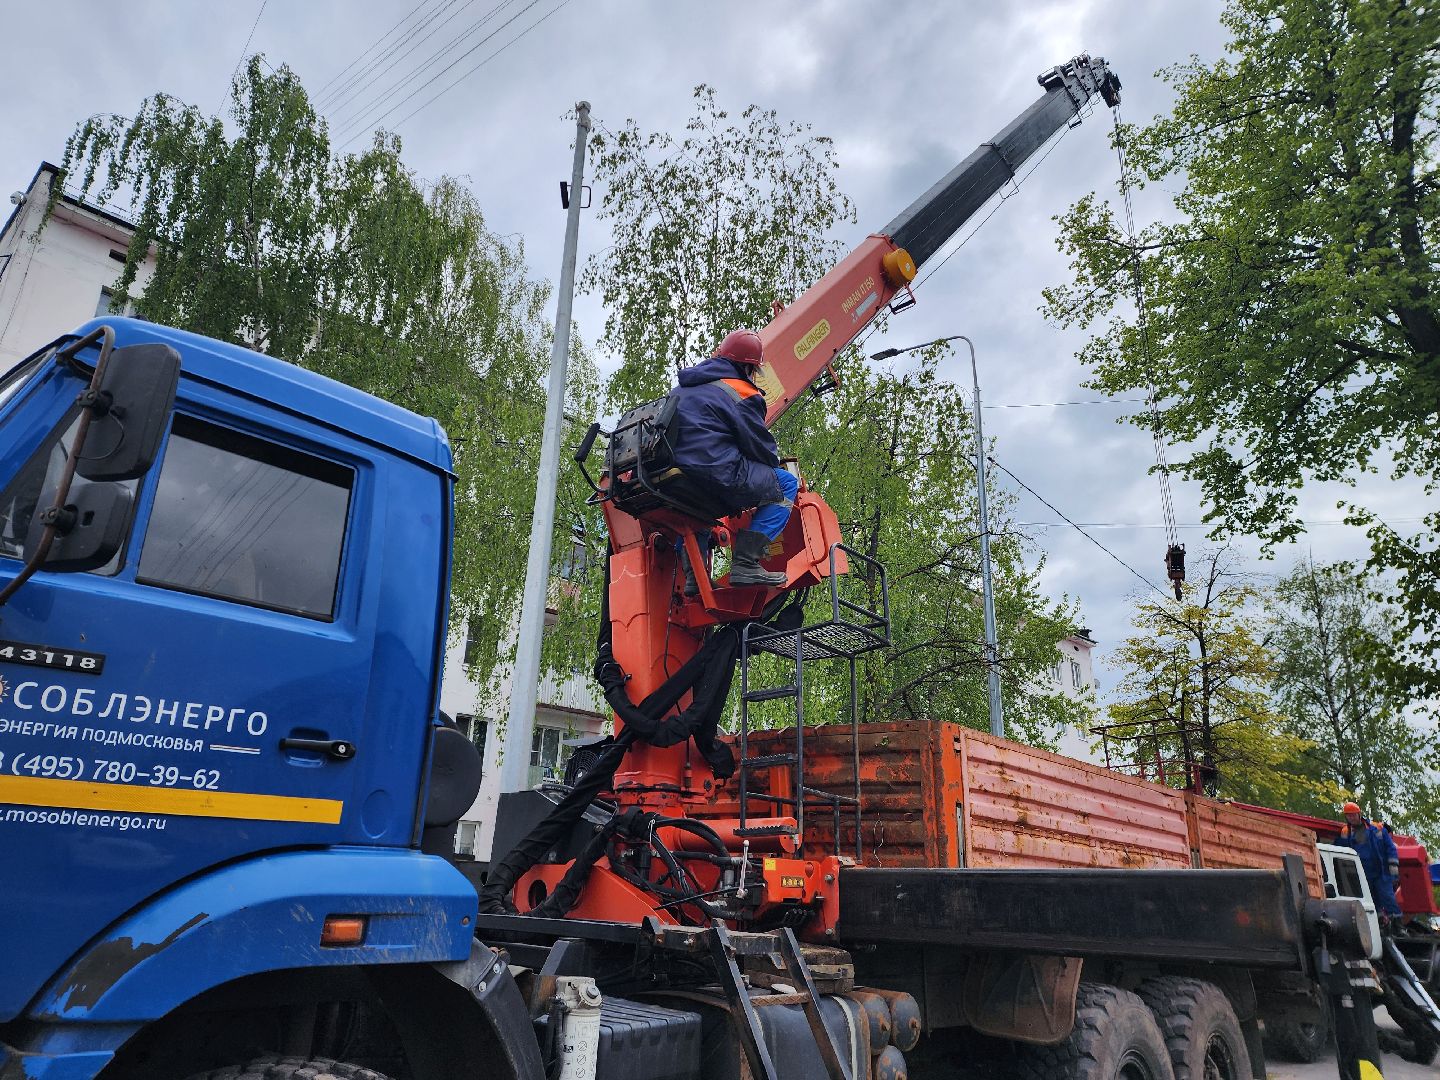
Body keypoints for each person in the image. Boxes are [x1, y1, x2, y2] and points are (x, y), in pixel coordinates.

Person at [670, 329, 798, 589]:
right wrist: (772, 463)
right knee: (785, 484)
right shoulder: (742, 392)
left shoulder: (682, 388)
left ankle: (695, 578)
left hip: (675, 474)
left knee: (700, 507)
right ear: (750, 368)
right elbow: (759, 447)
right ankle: (746, 563)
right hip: (717, 471)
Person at [1338, 800, 1402, 919]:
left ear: (1359, 814)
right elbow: (1339, 848)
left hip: (1381, 872)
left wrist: (1393, 869)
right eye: (1348, 815)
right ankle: (1381, 926)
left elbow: (1390, 847)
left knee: (1388, 898)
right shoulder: (1345, 832)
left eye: (1353, 815)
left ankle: (1398, 927)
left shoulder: (1376, 828)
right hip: (1363, 874)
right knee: (1372, 903)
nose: (1351, 818)